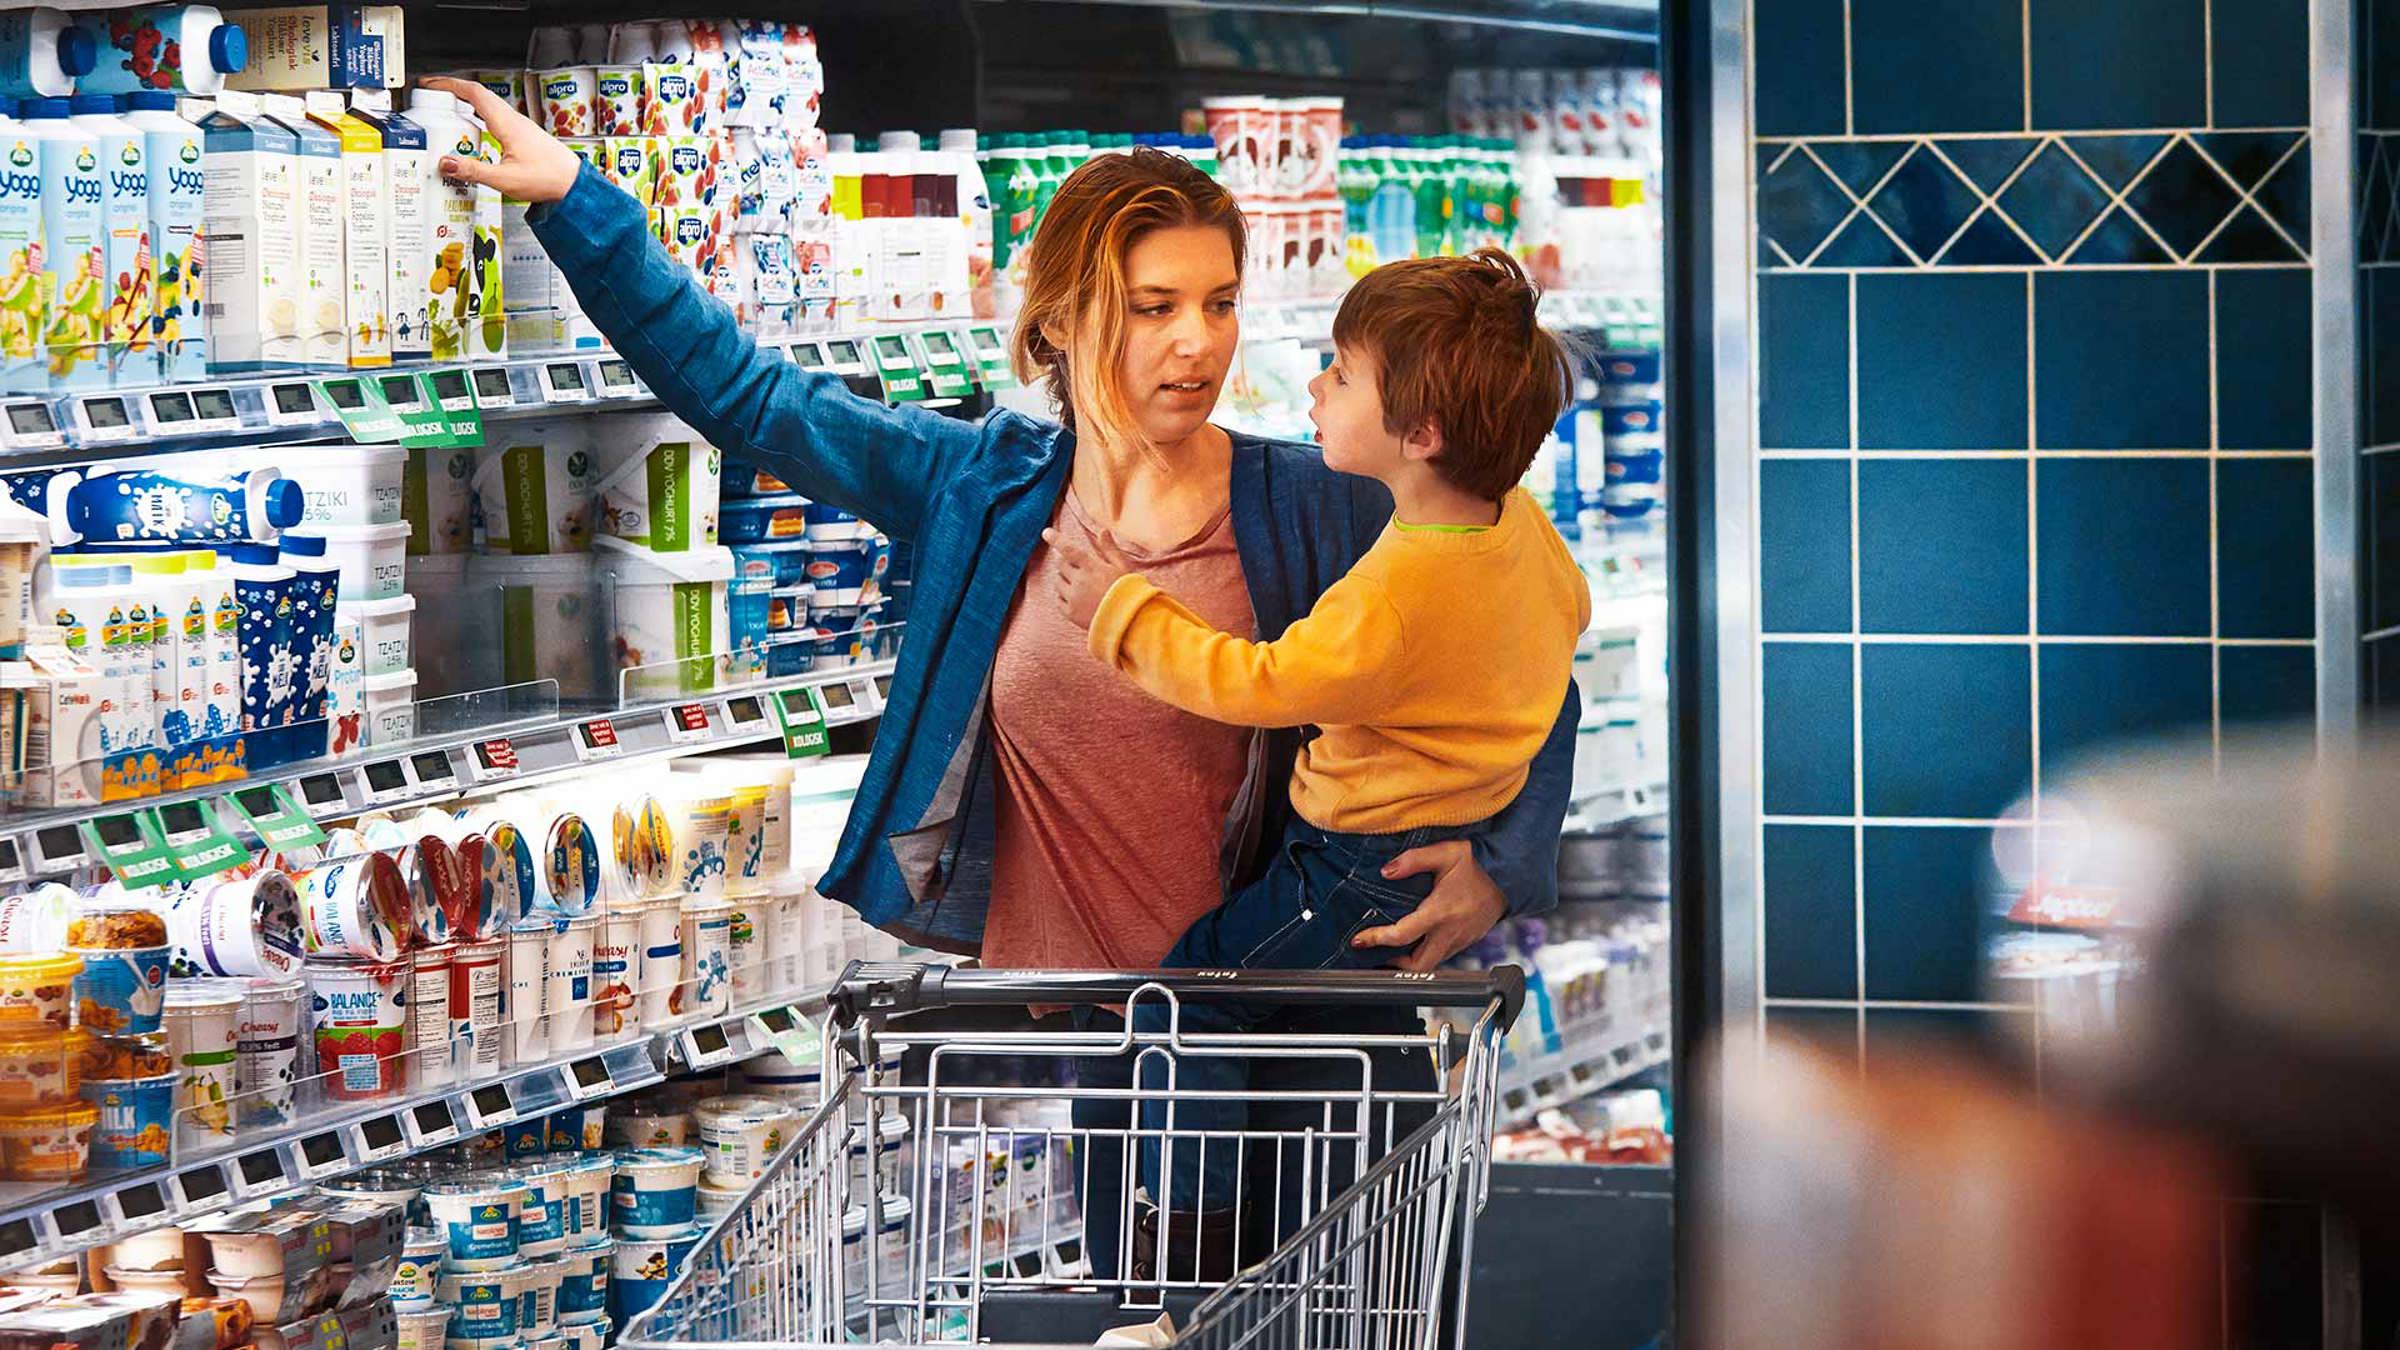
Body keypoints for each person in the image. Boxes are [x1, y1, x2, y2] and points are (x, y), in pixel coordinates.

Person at [420, 76, 1578, 1281]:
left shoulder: (1320, 506)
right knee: (1152, 1298)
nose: (1199, 341)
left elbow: (1521, 650)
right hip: (1110, 1051)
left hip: (1312, 1043)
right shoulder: (986, 489)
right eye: (1153, 306)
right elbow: (753, 400)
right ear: (1071, 318)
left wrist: (1504, 865)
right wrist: (574, 202)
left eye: (1221, 302)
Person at [1049, 247, 1589, 1222]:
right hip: (1387, 858)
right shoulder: (1516, 527)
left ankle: (1187, 1241)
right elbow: (1556, 643)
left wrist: (1120, 612)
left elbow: (1260, 683)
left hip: (1350, 864)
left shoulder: (1394, 590)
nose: (1313, 383)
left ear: (1419, 433)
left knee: (1191, 998)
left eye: (1339, 374)